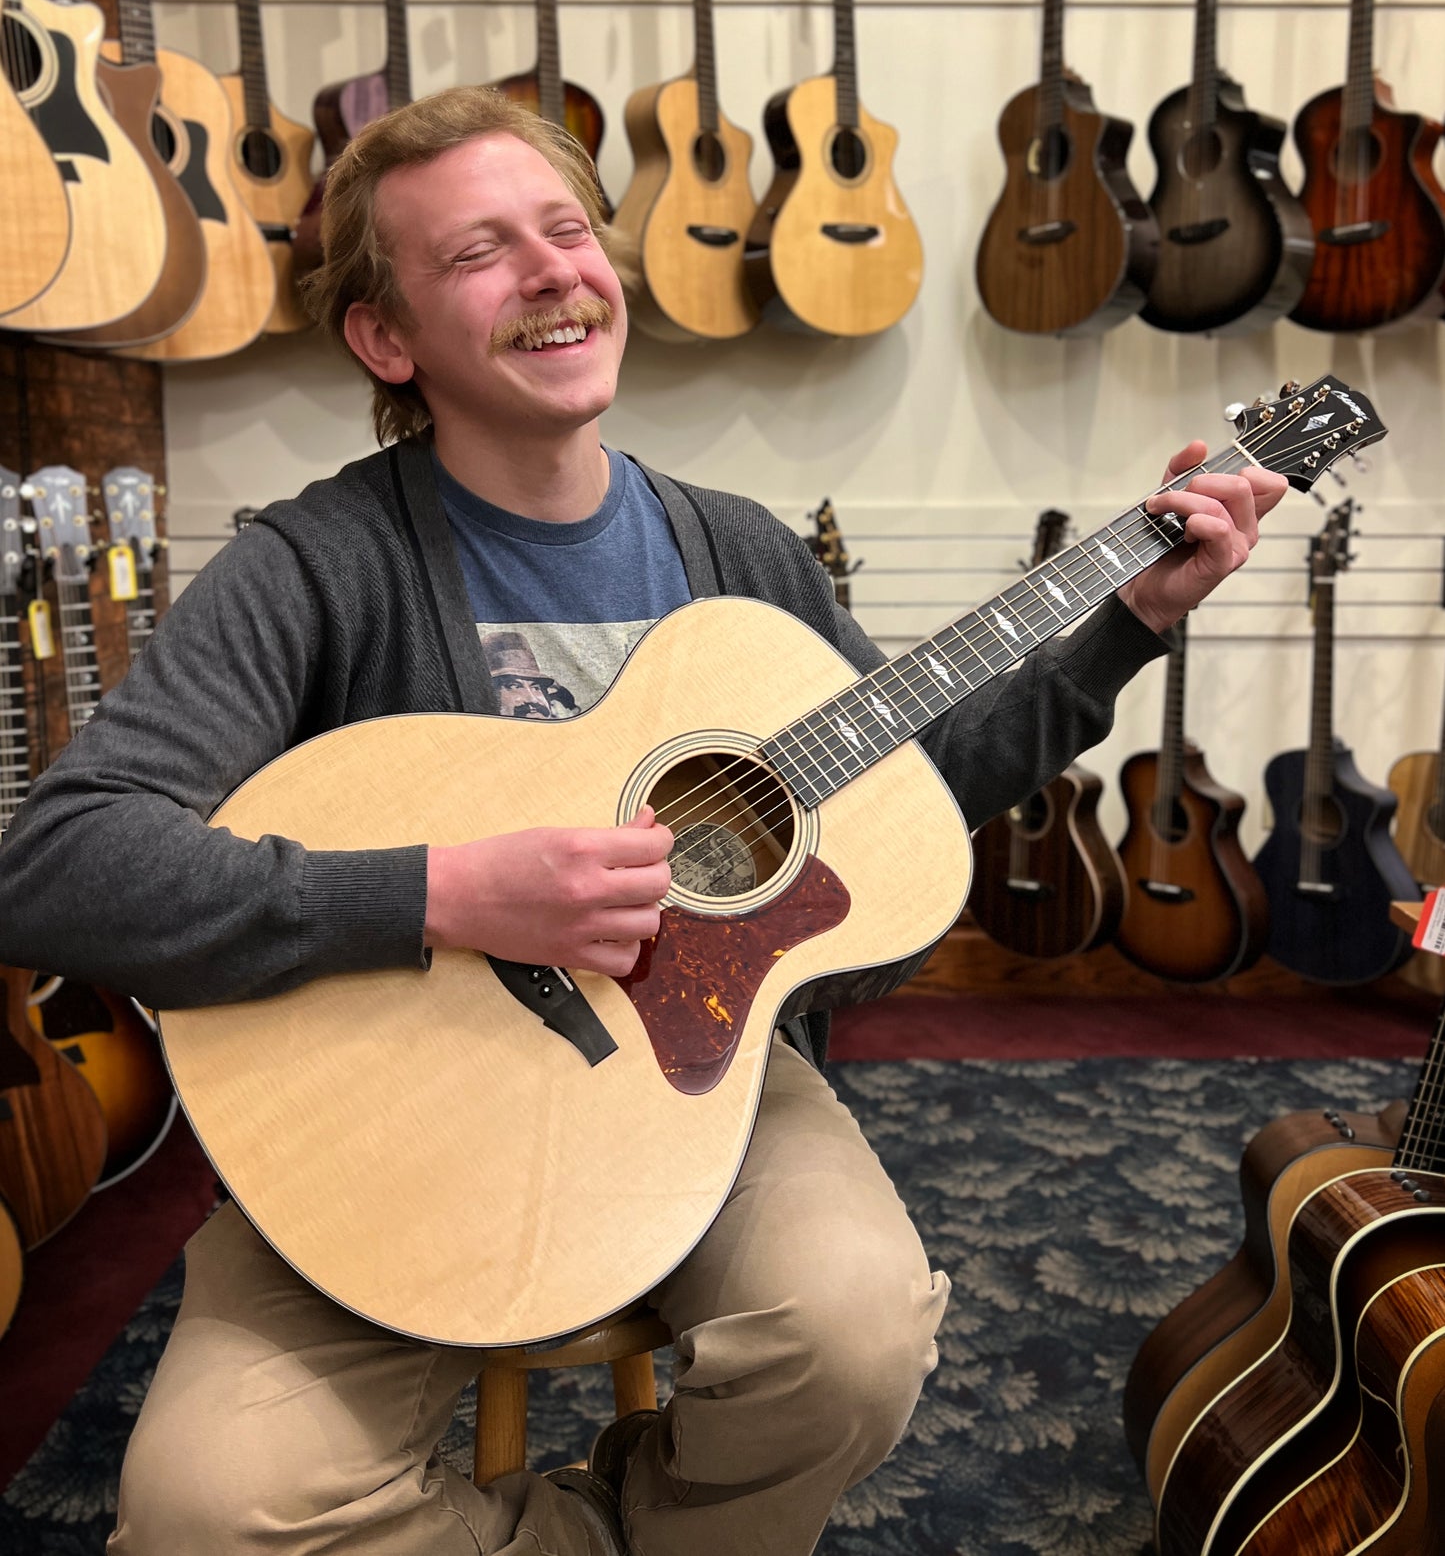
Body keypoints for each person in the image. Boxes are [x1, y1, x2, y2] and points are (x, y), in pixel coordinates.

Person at [0, 85, 1285, 1556]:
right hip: (396, 1093)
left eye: (567, 230)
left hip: (700, 1072)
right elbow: (55, 864)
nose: (554, 270)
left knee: (855, 1338)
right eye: (482, 252)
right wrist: (440, 889)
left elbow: (907, 789)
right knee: (199, 1518)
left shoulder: (732, 550)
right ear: (385, 336)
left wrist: (1121, 626)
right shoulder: (314, 564)